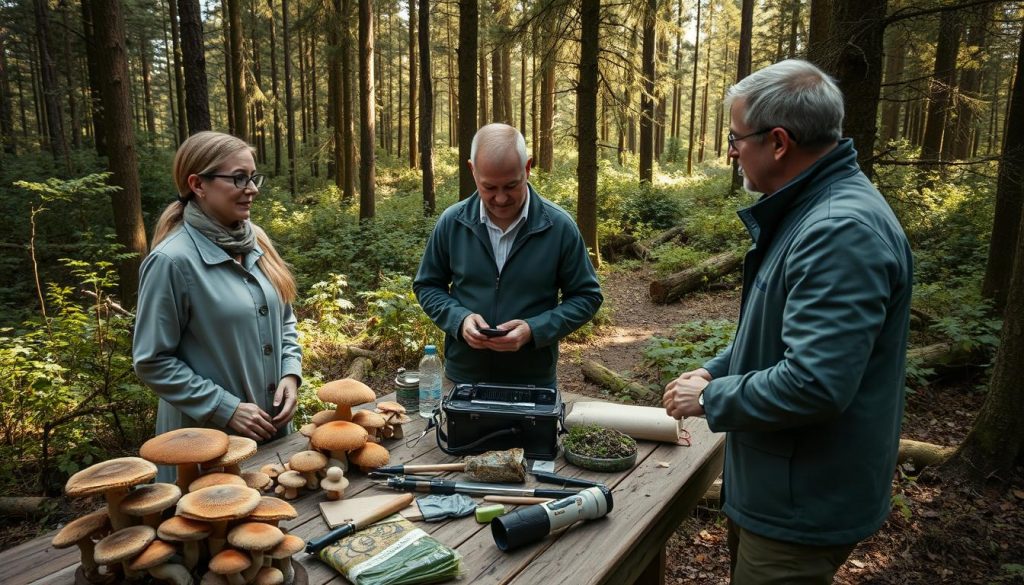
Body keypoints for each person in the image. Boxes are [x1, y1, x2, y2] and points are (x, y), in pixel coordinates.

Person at [662, 60, 913, 584]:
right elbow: (775, 334)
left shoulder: (838, 231)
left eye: (736, 138)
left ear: (778, 142)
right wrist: (715, 369)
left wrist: (710, 400)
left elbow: (814, 384)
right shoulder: (808, 210)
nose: (730, 151)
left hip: (802, 504)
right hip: (782, 487)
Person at [134, 131, 302, 480]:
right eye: (239, 178)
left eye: (253, 177)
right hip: (203, 445)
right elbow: (152, 361)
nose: (252, 188)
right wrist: (224, 408)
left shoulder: (256, 240)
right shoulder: (172, 261)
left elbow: (284, 319)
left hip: (271, 434)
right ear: (198, 184)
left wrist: (290, 372)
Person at [414, 123, 602, 389]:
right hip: (463, 377)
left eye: (511, 186)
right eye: (489, 187)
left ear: (527, 168)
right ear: (472, 171)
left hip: (532, 380)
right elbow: (427, 285)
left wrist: (533, 330)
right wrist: (459, 319)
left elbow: (587, 296)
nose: (500, 198)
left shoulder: (558, 227)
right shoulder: (453, 223)